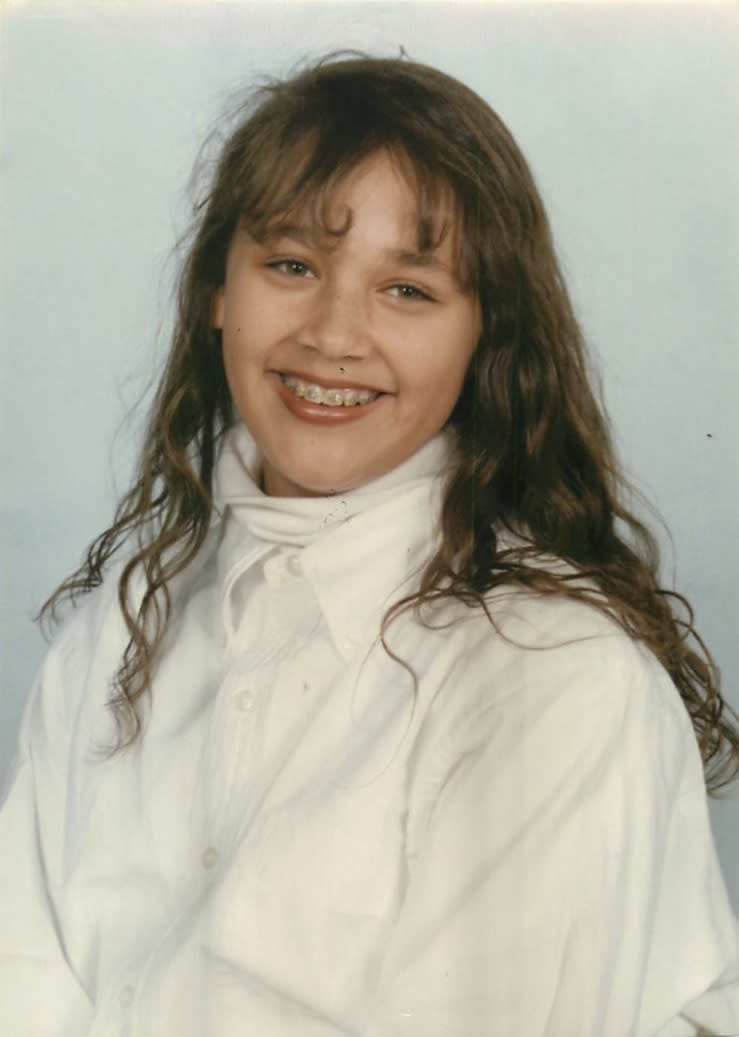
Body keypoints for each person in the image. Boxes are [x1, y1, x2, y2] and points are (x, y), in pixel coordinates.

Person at [0, 52, 737, 1037]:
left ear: (487, 339)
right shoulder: (122, 623)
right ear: (218, 285)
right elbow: (26, 975)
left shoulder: (550, 675)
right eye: (292, 265)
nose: (334, 335)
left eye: (408, 290)